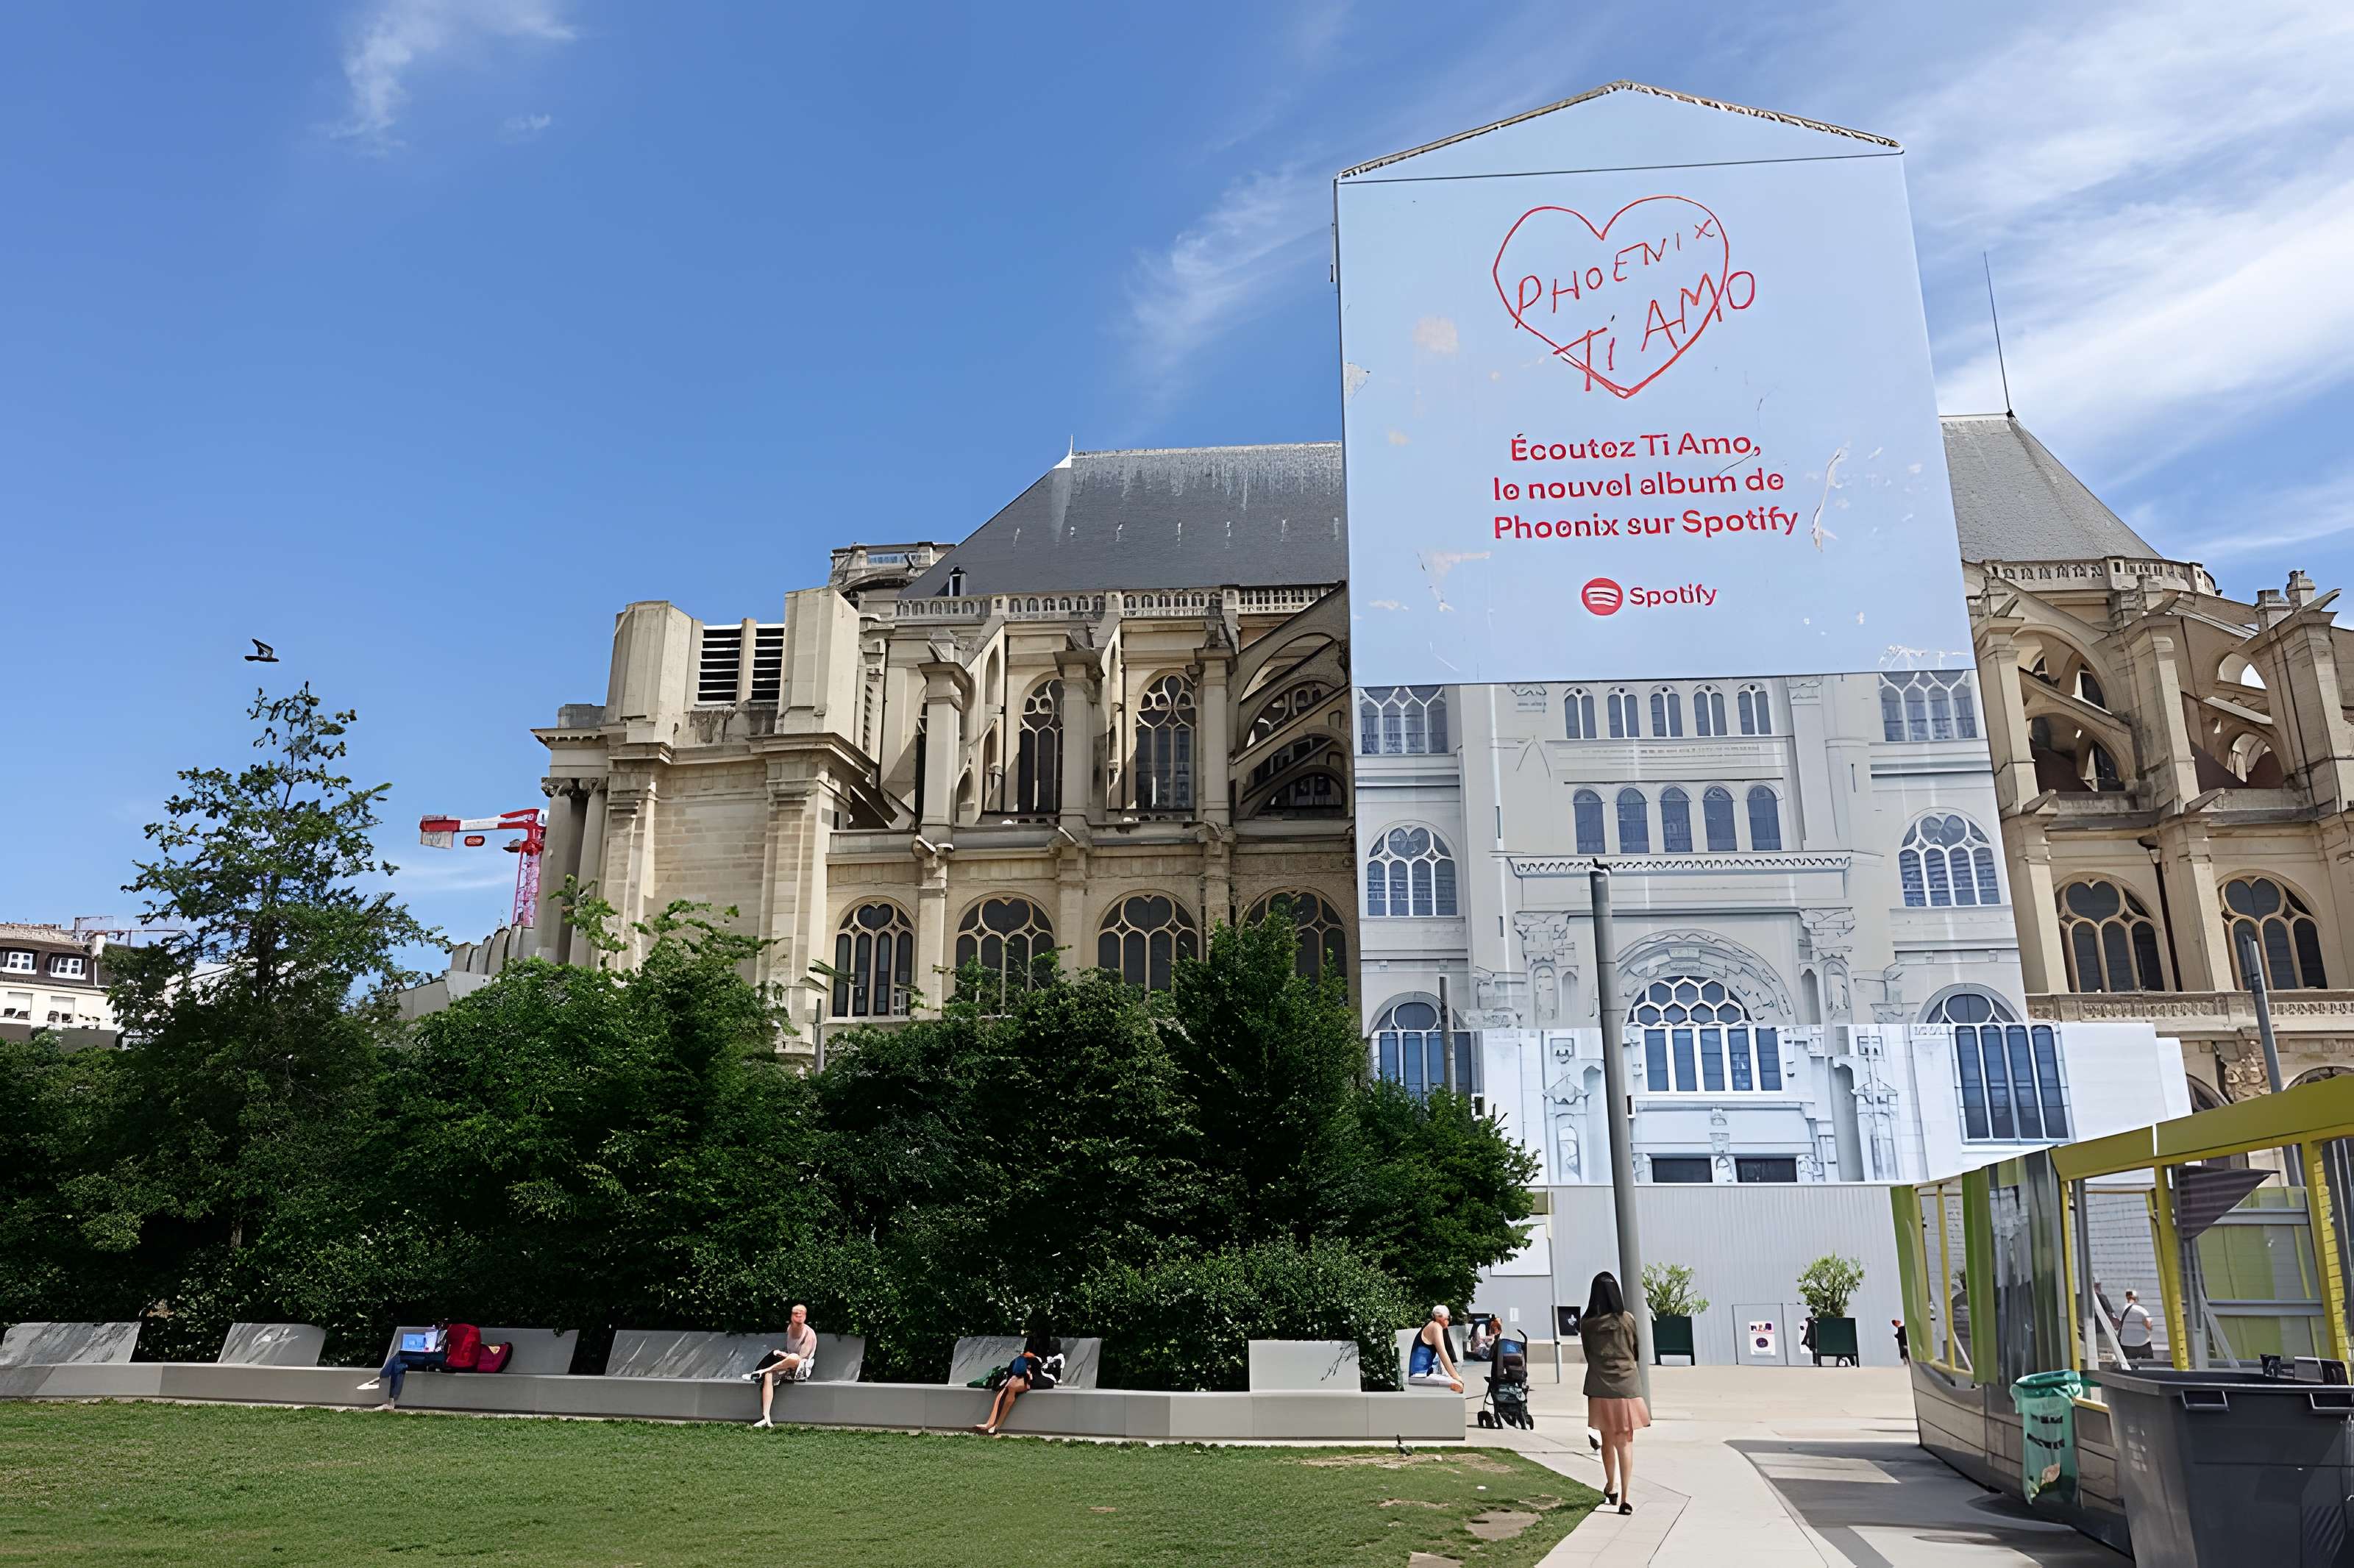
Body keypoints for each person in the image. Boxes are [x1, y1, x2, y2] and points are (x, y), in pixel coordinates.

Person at [1578, 1272, 1647, 1517]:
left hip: (1599, 1386)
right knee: (1625, 1441)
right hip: (1626, 1386)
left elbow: (1588, 1354)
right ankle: (1626, 1498)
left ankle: (1611, 1486)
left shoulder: (1587, 1323)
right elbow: (1636, 1349)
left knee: (1607, 1439)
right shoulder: (1627, 1320)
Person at [974, 1328, 1062, 1436]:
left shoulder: (1050, 1358)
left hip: (1031, 1377)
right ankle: (992, 1424)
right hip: (1024, 1375)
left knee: (1008, 1388)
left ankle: (994, 1425)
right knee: (1007, 1389)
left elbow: (1047, 1369)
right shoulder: (1026, 1359)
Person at [747, 1303, 819, 1429]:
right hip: (786, 1366)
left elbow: (800, 1358)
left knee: (794, 1358)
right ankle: (766, 1417)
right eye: (795, 1313)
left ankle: (764, 1369)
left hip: (800, 1369)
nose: (798, 1315)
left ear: (805, 1316)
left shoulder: (809, 1334)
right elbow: (790, 1353)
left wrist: (785, 1355)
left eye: (801, 1313)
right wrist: (781, 1354)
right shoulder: (790, 1329)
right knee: (770, 1374)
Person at [358, 1319, 449, 1410]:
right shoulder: (439, 1331)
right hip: (430, 1356)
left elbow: (441, 1351)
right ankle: (390, 1401)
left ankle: (382, 1378)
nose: (440, 1323)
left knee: (399, 1356)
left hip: (436, 1358)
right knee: (399, 1366)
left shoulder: (448, 1331)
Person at [1407, 1305, 1464, 1393]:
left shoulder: (1431, 1325)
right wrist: (1456, 1377)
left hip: (1422, 1374)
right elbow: (1443, 1353)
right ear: (1440, 1318)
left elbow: (1440, 1358)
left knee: (1452, 1383)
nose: (1448, 1322)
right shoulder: (1435, 1327)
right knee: (1458, 1386)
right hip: (1420, 1375)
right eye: (1447, 1319)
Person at [2116, 1289, 2155, 1364]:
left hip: (2126, 1343)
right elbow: (2149, 1326)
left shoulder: (2122, 1310)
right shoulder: (2142, 1310)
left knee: (2128, 1365)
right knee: (2149, 1364)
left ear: (2127, 1297)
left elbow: (2117, 1324)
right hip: (2143, 1343)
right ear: (2136, 1299)